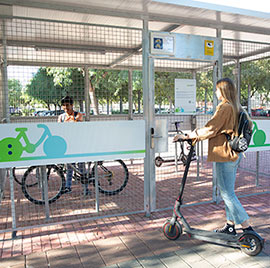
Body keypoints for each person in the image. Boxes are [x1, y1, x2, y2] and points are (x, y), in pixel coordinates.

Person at [174, 78, 254, 235]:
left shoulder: (225, 107)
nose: (216, 92)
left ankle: (247, 227)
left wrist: (188, 135)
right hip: (232, 155)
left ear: (223, 91)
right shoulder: (236, 107)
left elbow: (211, 129)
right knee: (228, 191)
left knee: (227, 193)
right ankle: (230, 226)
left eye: (217, 89)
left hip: (224, 155)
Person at [58, 96, 90, 196]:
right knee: (69, 167)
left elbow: (78, 129)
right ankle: (68, 187)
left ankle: (86, 188)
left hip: (78, 144)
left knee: (81, 167)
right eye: (63, 105)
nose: (65, 107)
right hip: (67, 145)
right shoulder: (61, 117)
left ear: (72, 105)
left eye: (67, 105)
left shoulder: (78, 115)